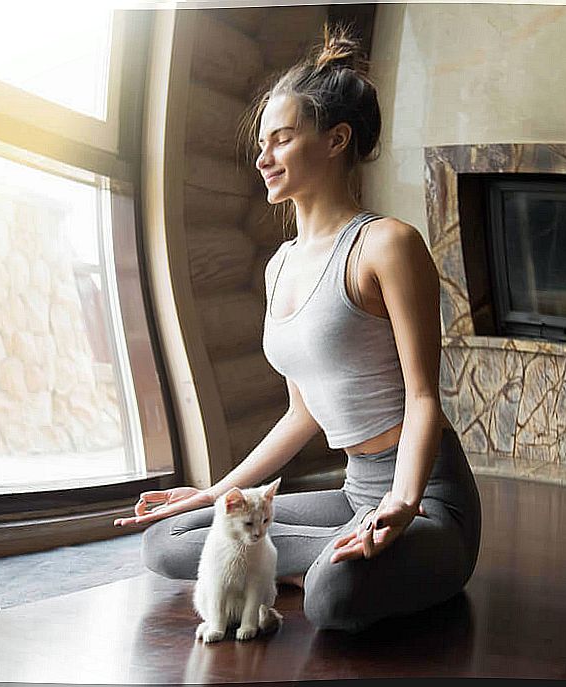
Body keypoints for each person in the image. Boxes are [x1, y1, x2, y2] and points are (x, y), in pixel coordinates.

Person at [113, 22, 482, 633]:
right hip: (353, 489)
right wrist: (211, 495)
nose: (263, 159)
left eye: (282, 140)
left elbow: (422, 398)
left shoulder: (385, 245)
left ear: (336, 140)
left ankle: (321, 563)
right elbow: (302, 415)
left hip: (428, 499)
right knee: (170, 539)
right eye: (263, 143)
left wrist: (403, 503)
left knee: (332, 598)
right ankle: (316, 555)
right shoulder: (280, 265)